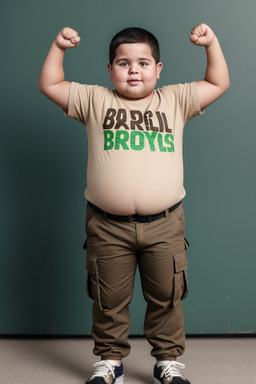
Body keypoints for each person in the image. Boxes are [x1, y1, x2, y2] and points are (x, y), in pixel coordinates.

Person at [39, 23, 229, 384]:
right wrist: (58, 47)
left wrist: (212, 44)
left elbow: (218, 82)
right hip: (107, 225)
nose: (133, 70)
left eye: (143, 63)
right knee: (108, 299)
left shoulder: (174, 99)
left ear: (158, 70)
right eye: (123, 63)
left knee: (167, 296)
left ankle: (167, 362)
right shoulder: (96, 99)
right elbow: (50, 84)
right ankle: (111, 361)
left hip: (166, 223)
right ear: (110, 70)